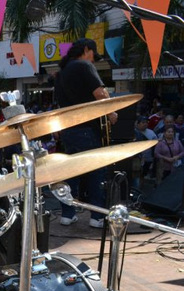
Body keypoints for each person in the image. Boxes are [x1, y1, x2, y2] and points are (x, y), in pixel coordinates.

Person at [54, 38, 118, 228]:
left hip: (68, 129)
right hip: (87, 128)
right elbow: (100, 93)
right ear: (86, 49)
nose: (93, 60)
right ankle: (97, 217)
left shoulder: (62, 72)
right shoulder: (83, 66)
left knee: (71, 173)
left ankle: (67, 214)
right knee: (96, 173)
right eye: (93, 55)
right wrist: (111, 112)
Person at [133, 115, 158, 186]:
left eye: (146, 122)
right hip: (137, 158)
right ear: (137, 123)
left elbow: (155, 145)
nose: (145, 124)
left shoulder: (151, 133)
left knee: (143, 174)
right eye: (143, 122)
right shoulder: (133, 132)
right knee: (136, 175)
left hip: (148, 158)